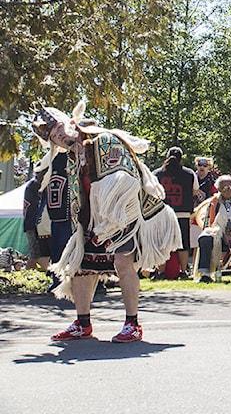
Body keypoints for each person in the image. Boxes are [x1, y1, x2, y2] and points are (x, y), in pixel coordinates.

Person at [34, 103, 180, 343]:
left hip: (122, 216)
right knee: (81, 266)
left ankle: (132, 324)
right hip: (93, 220)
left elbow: (127, 178)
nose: (59, 136)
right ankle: (83, 323)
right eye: (53, 137)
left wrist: (113, 214)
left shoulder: (105, 139)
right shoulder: (71, 157)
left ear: (70, 122)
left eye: (59, 128)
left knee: (123, 262)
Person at [153, 147, 200, 279]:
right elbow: (195, 191)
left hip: (162, 213)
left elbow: (151, 191)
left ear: (166, 157)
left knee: (162, 242)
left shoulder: (156, 173)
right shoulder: (189, 173)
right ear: (181, 159)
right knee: (183, 243)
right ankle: (183, 271)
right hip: (183, 213)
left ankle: (161, 272)